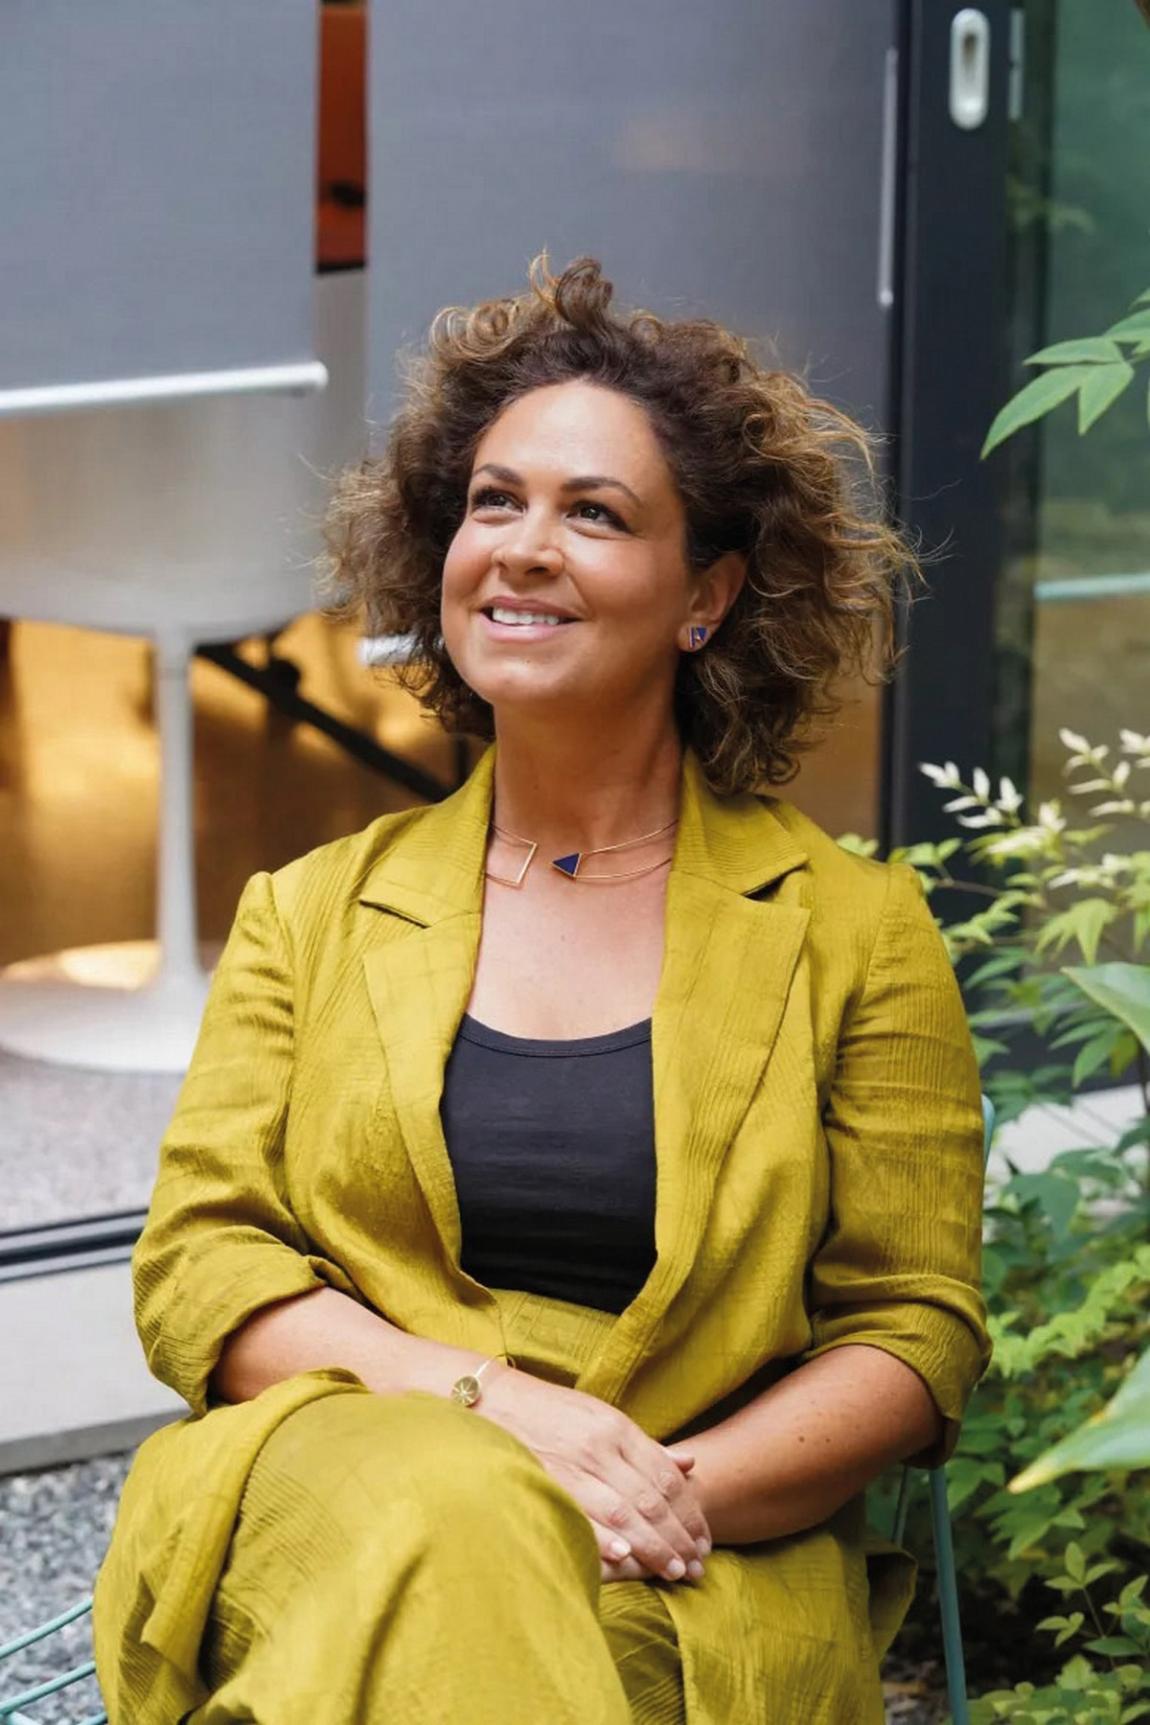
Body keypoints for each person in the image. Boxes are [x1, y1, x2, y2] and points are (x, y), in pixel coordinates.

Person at [92, 256, 990, 1725]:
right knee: (453, 1511)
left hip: (682, 1550)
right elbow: (202, 1261)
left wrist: (648, 1495)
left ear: (706, 595)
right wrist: (490, 1413)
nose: (521, 548)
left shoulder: (854, 934)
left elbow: (909, 1328)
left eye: (595, 513)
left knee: (475, 1627)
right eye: (493, 502)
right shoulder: (310, 914)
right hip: (333, 1481)